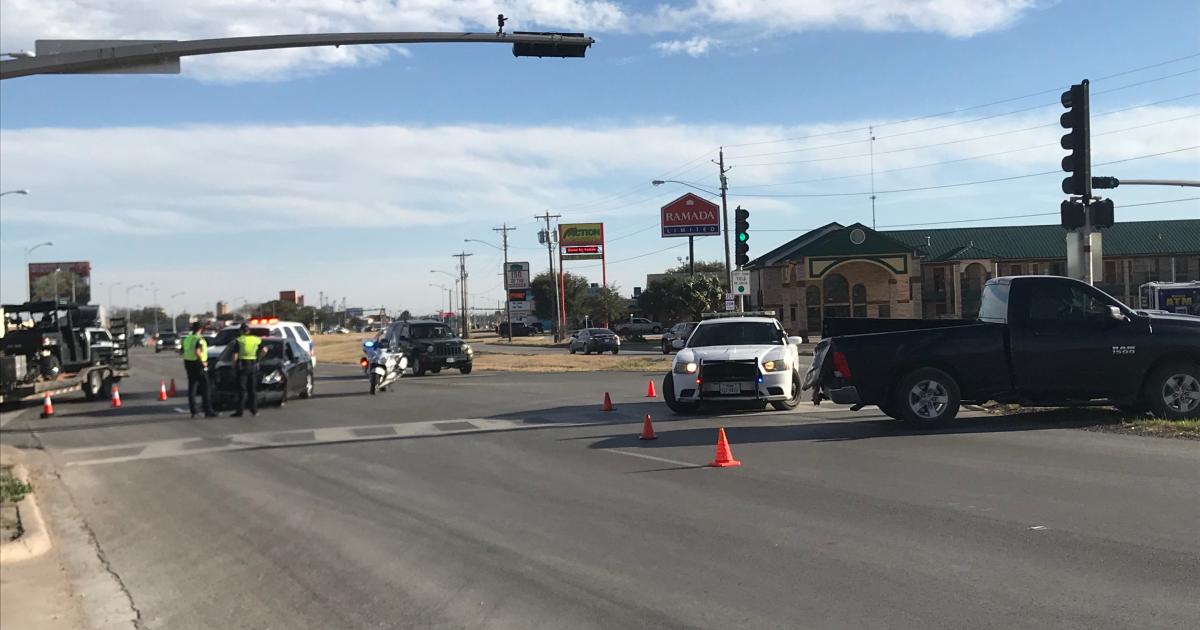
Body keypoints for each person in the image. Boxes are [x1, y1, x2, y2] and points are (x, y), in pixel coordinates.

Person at [181, 322, 218, 418]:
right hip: (198, 363)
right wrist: (203, 363)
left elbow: (181, 351)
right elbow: (198, 352)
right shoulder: (199, 339)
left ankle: (194, 411)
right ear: (200, 329)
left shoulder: (187, 339)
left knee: (192, 387)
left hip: (188, 363)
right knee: (206, 387)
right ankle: (208, 410)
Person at [230, 323, 265, 417]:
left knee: (242, 389)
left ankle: (240, 411)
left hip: (242, 365)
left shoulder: (239, 340)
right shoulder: (256, 339)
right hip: (253, 364)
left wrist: (233, 366)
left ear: (241, 331)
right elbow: (264, 350)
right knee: (252, 389)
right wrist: (258, 358)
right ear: (249, 331)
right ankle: (254, 410)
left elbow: (235, 355)